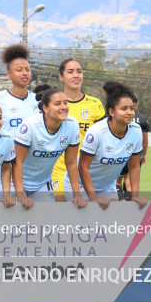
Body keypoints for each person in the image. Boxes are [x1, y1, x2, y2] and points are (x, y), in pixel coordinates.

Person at [79, 81, 148, 209]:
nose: (130, 112)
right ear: (111, 112)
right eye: (124, 109)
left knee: (113, 217)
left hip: (107, 186)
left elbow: (134, 166)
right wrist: (93, 198)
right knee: (86, 218)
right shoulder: (97, 131)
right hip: (80, 185)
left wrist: (135, 196)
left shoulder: (136, 130)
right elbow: (83, 166)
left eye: (132, 108)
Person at [13, 87, 82, 208]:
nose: (64, 107)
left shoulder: (73, 125)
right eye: (57, 104)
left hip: (42, 184)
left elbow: (71, 163)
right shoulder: (30, 126)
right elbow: (16, 162)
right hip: (14, 183)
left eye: (65, 103)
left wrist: (77, 195)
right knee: (15, 217)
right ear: (45, 108)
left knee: (48, 218)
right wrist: (21, 196)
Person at [51, 58, 105, 198]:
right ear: (61, 77)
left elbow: (104, 139)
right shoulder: (52, 105)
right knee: (61, 209)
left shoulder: (95, 104)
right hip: (58, 171)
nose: (76, 75)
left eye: (79, 71)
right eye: (70, 72)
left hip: (86, 171)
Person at [0, 43, 38, 197]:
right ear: (9, 74)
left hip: (33, 169)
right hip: (6, 168)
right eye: (19, 70)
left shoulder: (37, 100)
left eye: (27, 69)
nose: (24, 73)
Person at [116, 94, 149, 201]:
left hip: (120, 153)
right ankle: (130, 202)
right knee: (129, 181)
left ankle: (121, 201)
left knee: (117, 181)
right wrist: (143, 155)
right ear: (136, 104)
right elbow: (145, 140)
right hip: (135, 153)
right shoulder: (142, 119)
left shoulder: (118, 116)